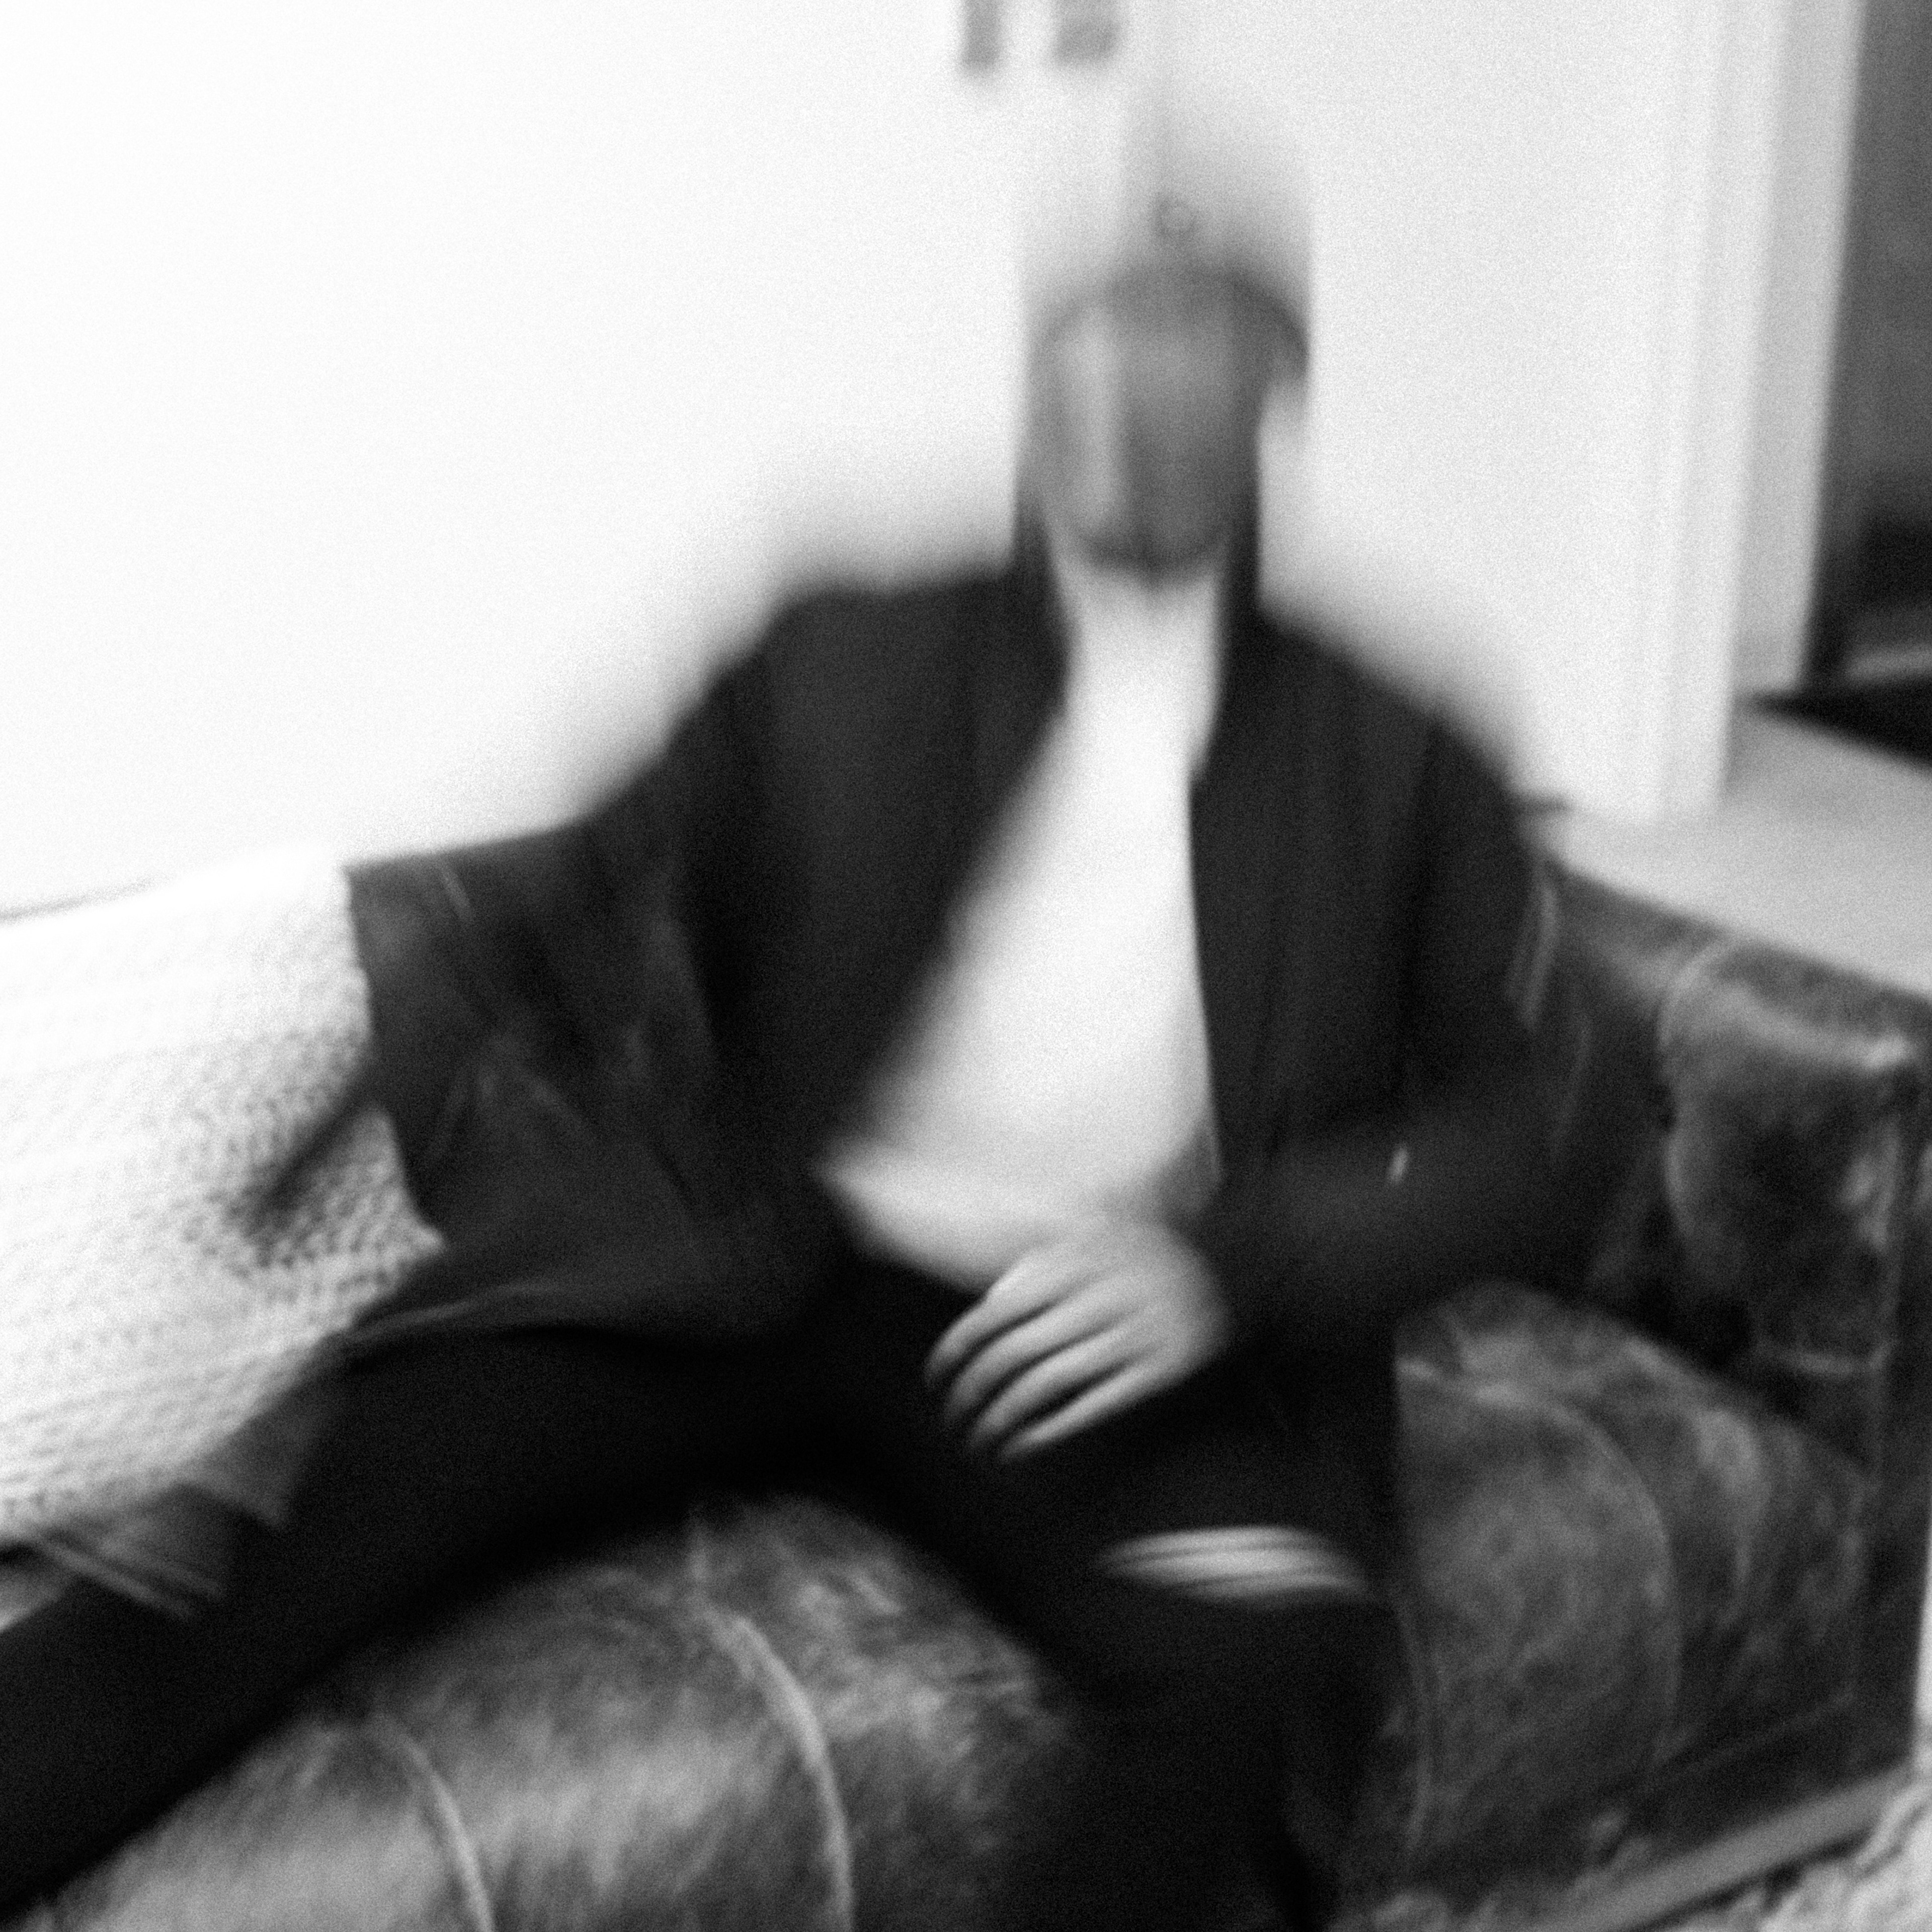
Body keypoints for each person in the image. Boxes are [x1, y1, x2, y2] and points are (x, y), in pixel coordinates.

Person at [0, 186, 1563, 1929]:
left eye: (1193, 354)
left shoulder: (1395, 746)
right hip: (749, 1261)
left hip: (1076, 1332)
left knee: (1257, 1643)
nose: (1134, 401)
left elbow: (1548, 1122)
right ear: (1039, 385)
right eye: (1095, 349)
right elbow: (547, 913)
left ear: (1277, 397)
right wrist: (280, 1261)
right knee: (267, 1523)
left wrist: (1236, 1265)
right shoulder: (847, 644)